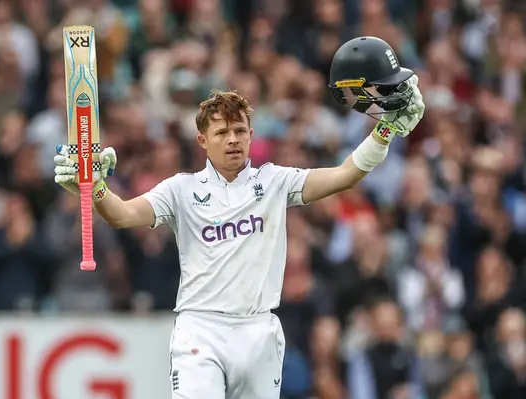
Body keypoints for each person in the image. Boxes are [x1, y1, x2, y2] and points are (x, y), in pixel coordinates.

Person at [53, 36, 425, 399]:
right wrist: (97, 188)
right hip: (200, 329)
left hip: (259, 331)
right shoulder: (180, 190)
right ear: (202, 140)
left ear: (251, 133)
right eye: (221, 132)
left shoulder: (276, 181)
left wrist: (386, 130)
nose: (232, 139)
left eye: (239, 131)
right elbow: (121, 215)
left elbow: (347, 174)